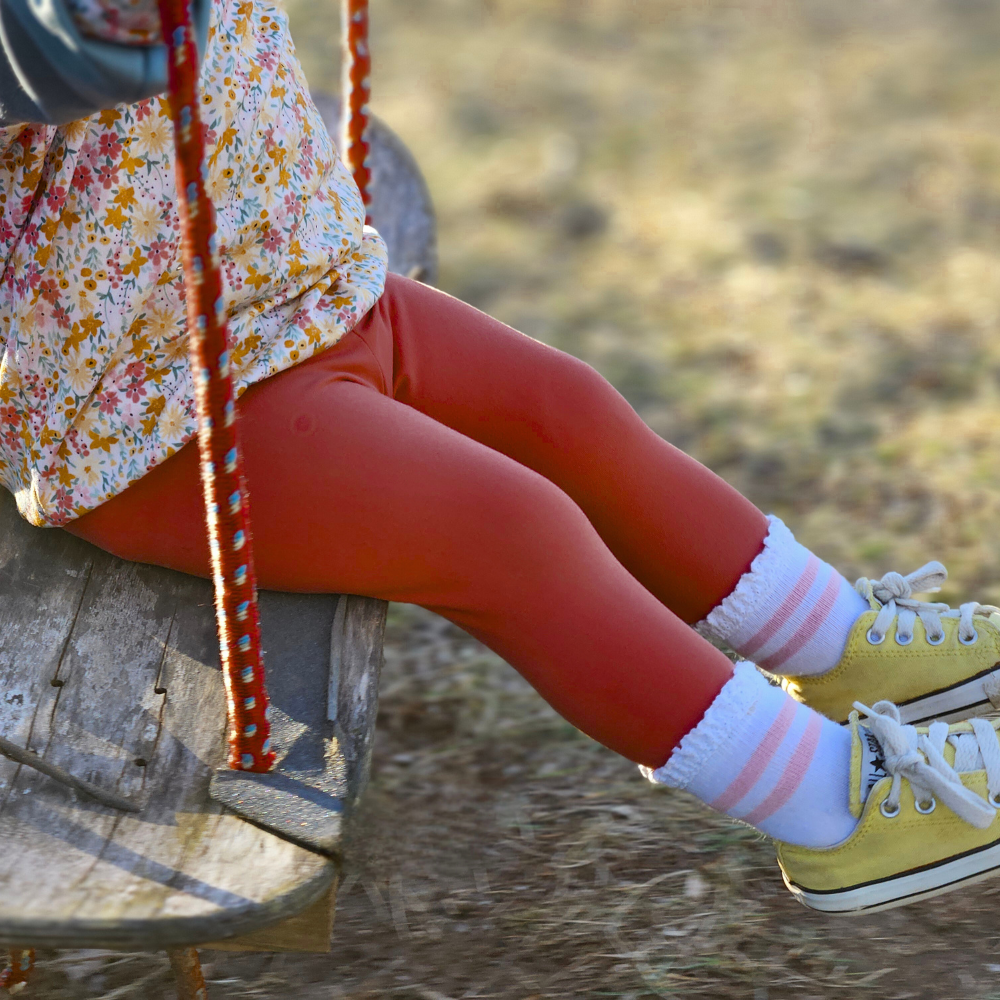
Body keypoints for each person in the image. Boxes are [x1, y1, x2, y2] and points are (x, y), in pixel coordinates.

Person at [3, 0, 1000, 916]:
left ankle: (833, 640)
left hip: (304, 280)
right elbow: (58, 54)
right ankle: (836, 809)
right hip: (162, 407)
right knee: (508, 532)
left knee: (567, 408)